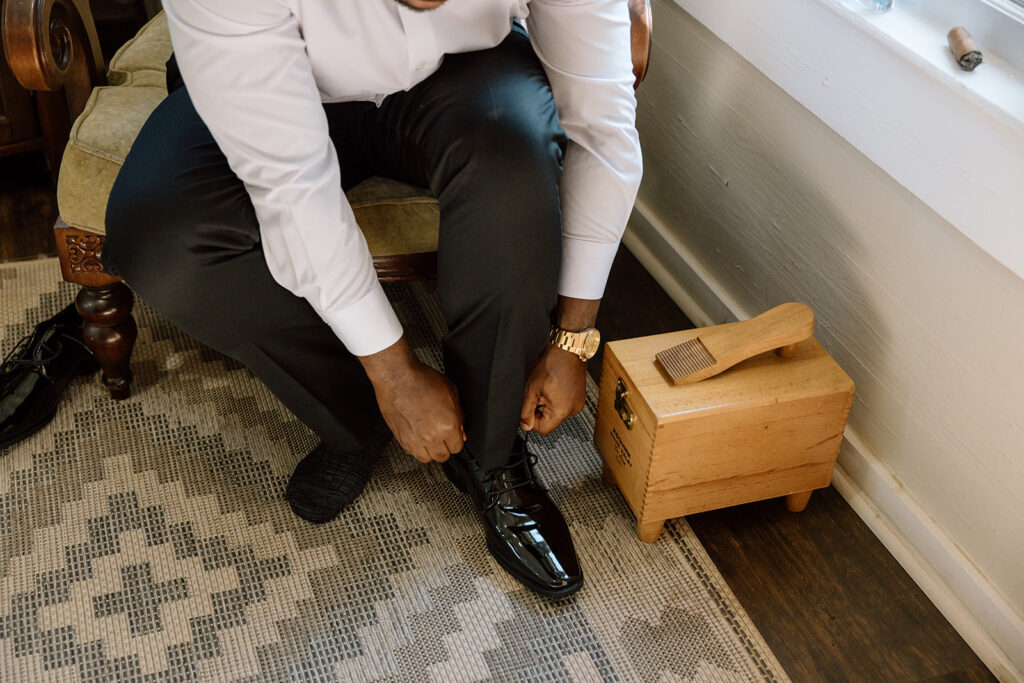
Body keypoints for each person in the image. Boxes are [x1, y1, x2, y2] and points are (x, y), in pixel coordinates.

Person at [100, 0, 642, 598]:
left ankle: (492, 451)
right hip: (270, 67)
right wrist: (393, 373)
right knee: (159, 239)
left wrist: (572, 341)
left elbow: (602, 128)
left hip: (461, 73)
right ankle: (361, 419)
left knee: (510, 164)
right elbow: (292, 185)